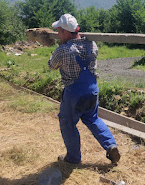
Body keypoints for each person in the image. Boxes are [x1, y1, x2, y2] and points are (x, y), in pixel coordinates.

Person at [48, 13, 120, 165]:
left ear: (66, 33)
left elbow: (51, 65)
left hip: (74, 94)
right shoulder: (92, 44)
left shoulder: (62, 50)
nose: (57, 34)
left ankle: (73, 158)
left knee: (67, 122)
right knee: (92, 119)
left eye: (59, 31)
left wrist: (59, 47)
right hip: (92, 91)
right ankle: (111, 145)